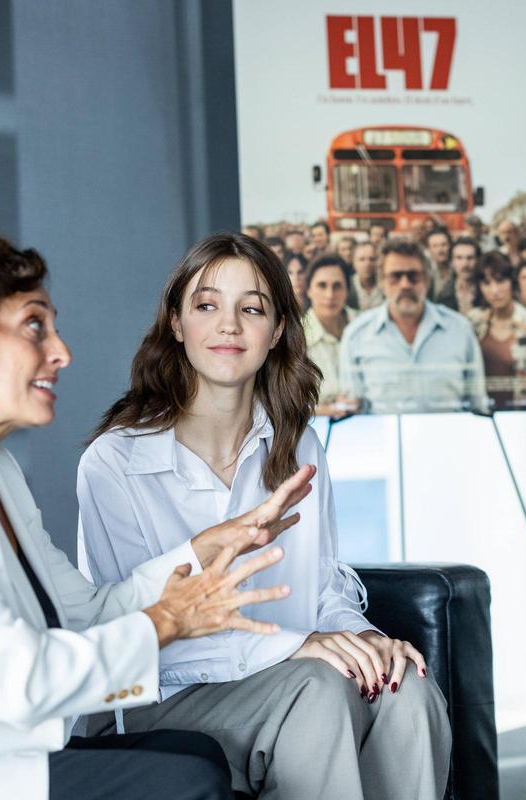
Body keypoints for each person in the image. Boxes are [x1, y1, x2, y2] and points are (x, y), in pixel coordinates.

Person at [0, 233, 313, 800]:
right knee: (184, 780)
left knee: (198, 753)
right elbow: (18, 680)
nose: (61, 351)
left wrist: (200, 552)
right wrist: (169, 620)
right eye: (35, 326)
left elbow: (84, 612)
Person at [77, 233, 451, 800]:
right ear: (177, 323)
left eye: (250, 309)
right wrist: (297, 647)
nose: (229, 326)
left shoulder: (298, 446)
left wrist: (368, 641)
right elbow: (133, 627)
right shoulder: (114, 461)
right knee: (317, 686)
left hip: (291, 679)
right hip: (158, 700)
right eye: (207, 306)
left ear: (276, 331)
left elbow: (325, 587)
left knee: (408, 689)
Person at [338, 238, 488, 415]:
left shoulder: (459, 330)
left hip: (449, 439)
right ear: (381, 282)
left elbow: (477, 403)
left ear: (427, 280)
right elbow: (353, 409)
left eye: (413, 276)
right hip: (382, 439)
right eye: (395, 276)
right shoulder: (357, 335)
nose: (405, 284)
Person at [467, 252, 526, 411]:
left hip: (520, 413)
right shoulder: (474, 321)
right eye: (487, 283)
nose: (495, 290)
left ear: (511, 282)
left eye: (500, 281)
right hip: (481, 413)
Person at [301, 254, 357, 417]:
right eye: (322, 285)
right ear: (309, 290)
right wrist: (322, 411)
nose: (330, 294)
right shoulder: (294, 338)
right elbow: (285, 405)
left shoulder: (366, 329)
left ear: (347, 290)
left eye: (337, 286)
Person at [438, 236, 481, 314]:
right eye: (459, 258)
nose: (465, 264)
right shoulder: (444, 295)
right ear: (452, 262)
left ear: (478, 260)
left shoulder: (486, 292)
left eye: (470, 258)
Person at [349, 240, 385, 312]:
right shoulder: (347, 286)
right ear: (353, 262)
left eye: (372, 259)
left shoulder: (385, 285)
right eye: (362, 259)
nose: (367, 264)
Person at [424, 226, 453, 303]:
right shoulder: (426, 272)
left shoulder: (457, 268)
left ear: (450, 246)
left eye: (444, 245)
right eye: (435, 246)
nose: (440, 250)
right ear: (429, 249)